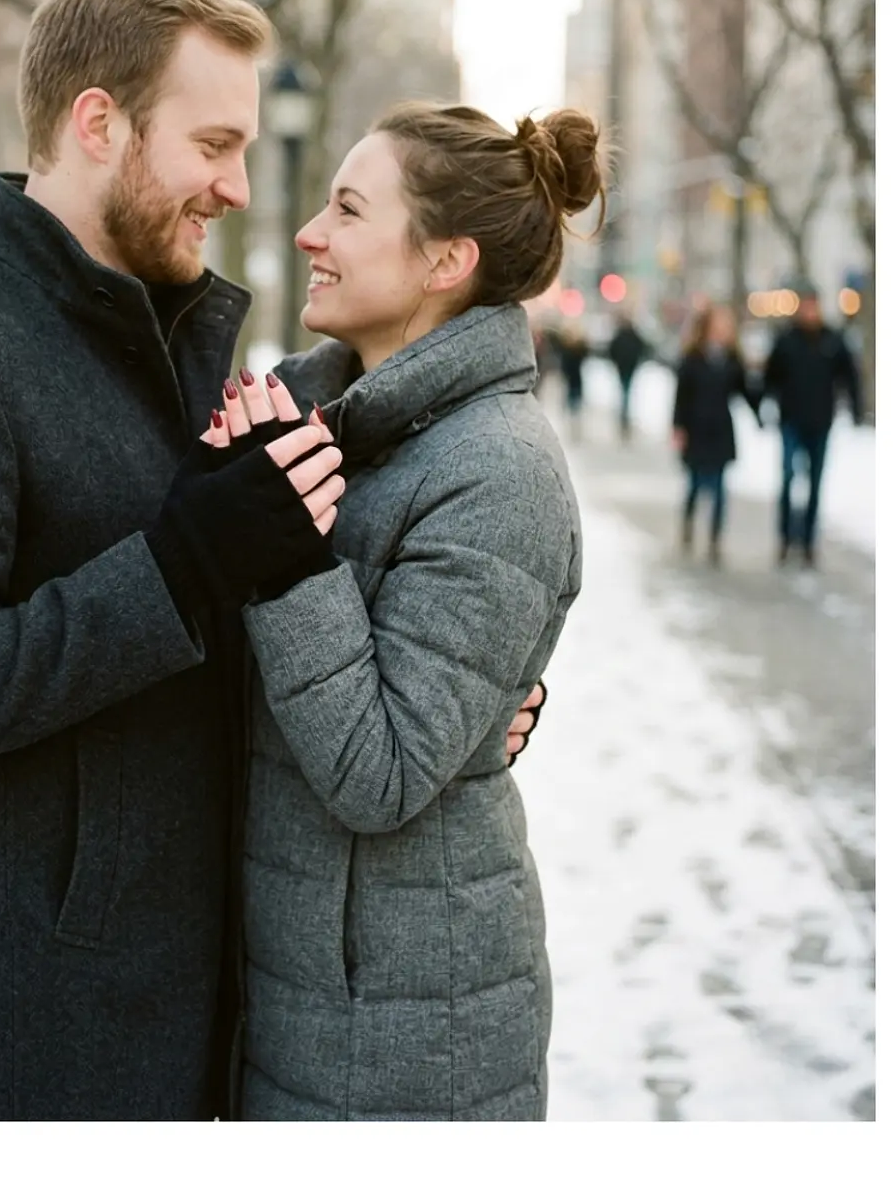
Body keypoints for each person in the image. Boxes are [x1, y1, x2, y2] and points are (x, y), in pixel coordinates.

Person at [0, 0, 544, 1122]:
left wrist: (463, 683)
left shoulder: (183, 340)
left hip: (209, 993)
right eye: (213, 144)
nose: (236, 186)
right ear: (99, 125)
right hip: (43, 1031)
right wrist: (176, 564)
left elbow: (278, 604)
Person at [198, 104, 600, 1121]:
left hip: (406, 1038)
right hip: (305, 996)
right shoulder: (322, 422)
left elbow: (378, 774)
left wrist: (280, 541)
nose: (306, 233)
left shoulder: (498, 470)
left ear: (444, 261)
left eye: (346, 209)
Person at [758, 286, 864, 566]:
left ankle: (808, 540)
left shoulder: (832, 340)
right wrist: (763, 405)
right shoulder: (786, 340)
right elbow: (770, 377)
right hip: (791, 420)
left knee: (816, 483)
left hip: (820, 421)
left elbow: (849, 377)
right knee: (788, 478)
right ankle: (784, 536)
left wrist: (856, 409)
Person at [672, 302, 761, 565]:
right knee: (696, 484)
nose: (723, 329)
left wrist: (760, 409)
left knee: (721, 488)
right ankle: (688, 523)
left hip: (721, 430)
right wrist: (678, 427)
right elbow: (681, 397)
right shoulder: (692, 358)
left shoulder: (733, 359)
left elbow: (745, 392)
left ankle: (715, 539)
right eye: (718, 324)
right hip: (697, 429)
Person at [607, 308, 651, 440]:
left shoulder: (626, 334)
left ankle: (624, 417)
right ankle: (624, 417)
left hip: (627, 367)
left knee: (625, 392)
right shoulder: (625, 334)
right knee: (626, 392)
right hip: (626, 367)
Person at [557, 319, 589, 437]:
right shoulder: (566, 347)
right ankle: (572, 420)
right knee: (572, 399)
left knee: (575, 399)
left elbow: (585, 353)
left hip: (575, 378)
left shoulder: (578, 347)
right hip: (572, 378)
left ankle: (574, 420)